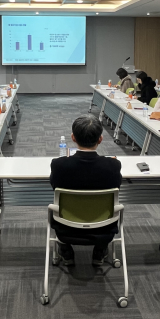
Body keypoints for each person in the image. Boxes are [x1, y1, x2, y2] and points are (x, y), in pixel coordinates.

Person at [50, 114, 122, 266]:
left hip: (66, 229)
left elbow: (54, 186)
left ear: (73, 138)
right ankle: (100, 250)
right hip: (104, 228)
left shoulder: (59, 165)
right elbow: (117, 186)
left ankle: (66, 251)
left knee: (55, 207)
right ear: (100, 139)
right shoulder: (113, 166)